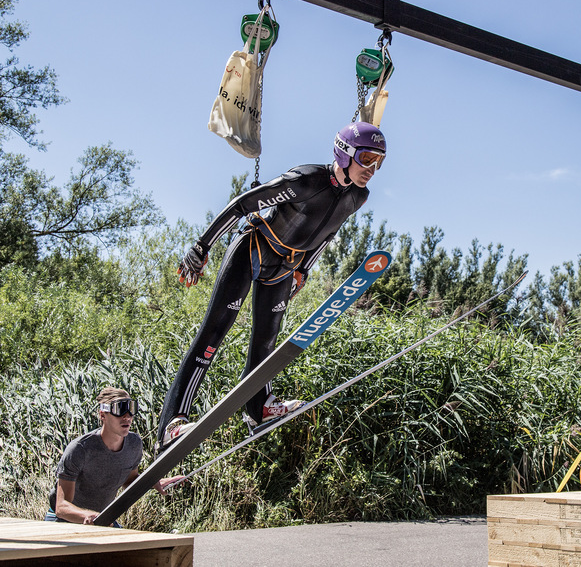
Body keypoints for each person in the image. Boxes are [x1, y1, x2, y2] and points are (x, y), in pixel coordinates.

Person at [157, 121, 387, 451]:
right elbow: (243, 204)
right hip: (253, 249)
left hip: (286, 266)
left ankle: (259, 409)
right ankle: (173, 423)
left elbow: (329, 233)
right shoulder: (306, 180)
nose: (373, 170)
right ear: (346, 153)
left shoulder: (358, 197)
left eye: (379, 162)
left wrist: (303, 270)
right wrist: (202, 246)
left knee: (266, 343)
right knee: (213, 335)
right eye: (367, 159)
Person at [46, 387, 185, 526]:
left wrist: (153, 483)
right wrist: (86, 515)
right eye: (119, 410)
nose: (127, 417)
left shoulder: (134, 444)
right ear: (103, 415)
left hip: (100, 518)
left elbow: (129, 481)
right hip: (63, 520)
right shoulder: (80, 449)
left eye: (131, 409)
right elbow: (61, 507)